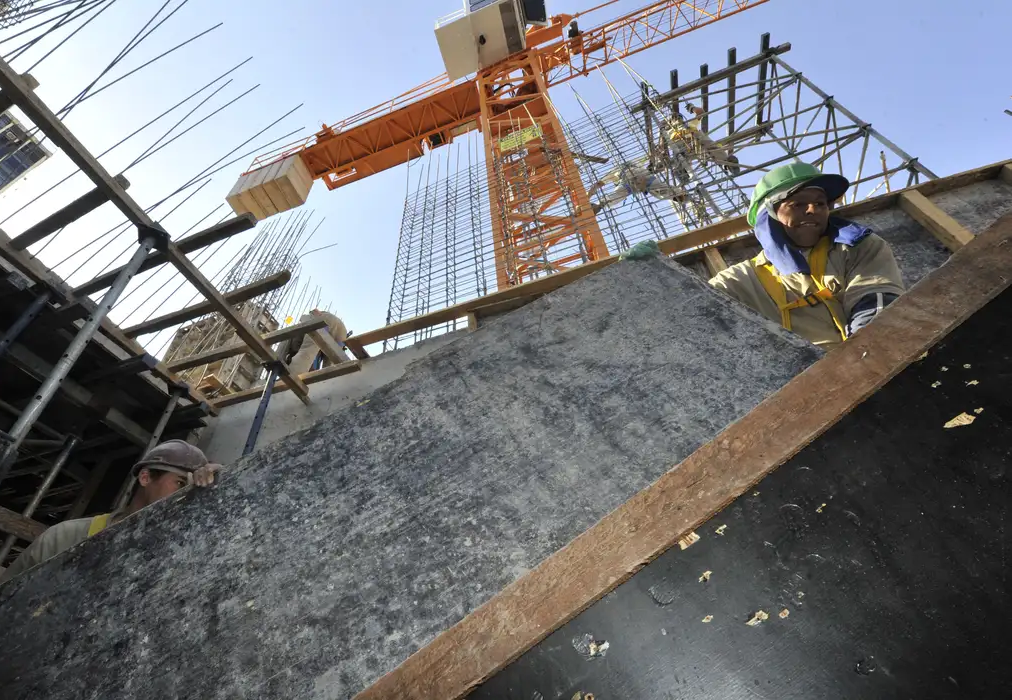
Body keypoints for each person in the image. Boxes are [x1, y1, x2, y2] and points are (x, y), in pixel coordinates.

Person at [708, 163, 904, 348]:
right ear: (768, 216)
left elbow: (876, 305)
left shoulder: (856, 247)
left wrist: (862, 361)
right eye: (798, 204)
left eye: (820, 203)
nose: (813, 210)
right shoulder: (738, 281)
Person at [0, 440, 220, 583]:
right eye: (180, 484)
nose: (182, 495)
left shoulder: (174, 559)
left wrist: (225, 488)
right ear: (145, 477)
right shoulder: (64, 538)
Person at [588, 160, 687, 214]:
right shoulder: (636, 161)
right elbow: (650, 161)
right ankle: (677, 193)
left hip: (628, 179)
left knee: (618, 194)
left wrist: (588, 195)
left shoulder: (614, 171)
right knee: (658, 190)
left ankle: (600, 205)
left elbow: (598, 184)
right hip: (644, 176)